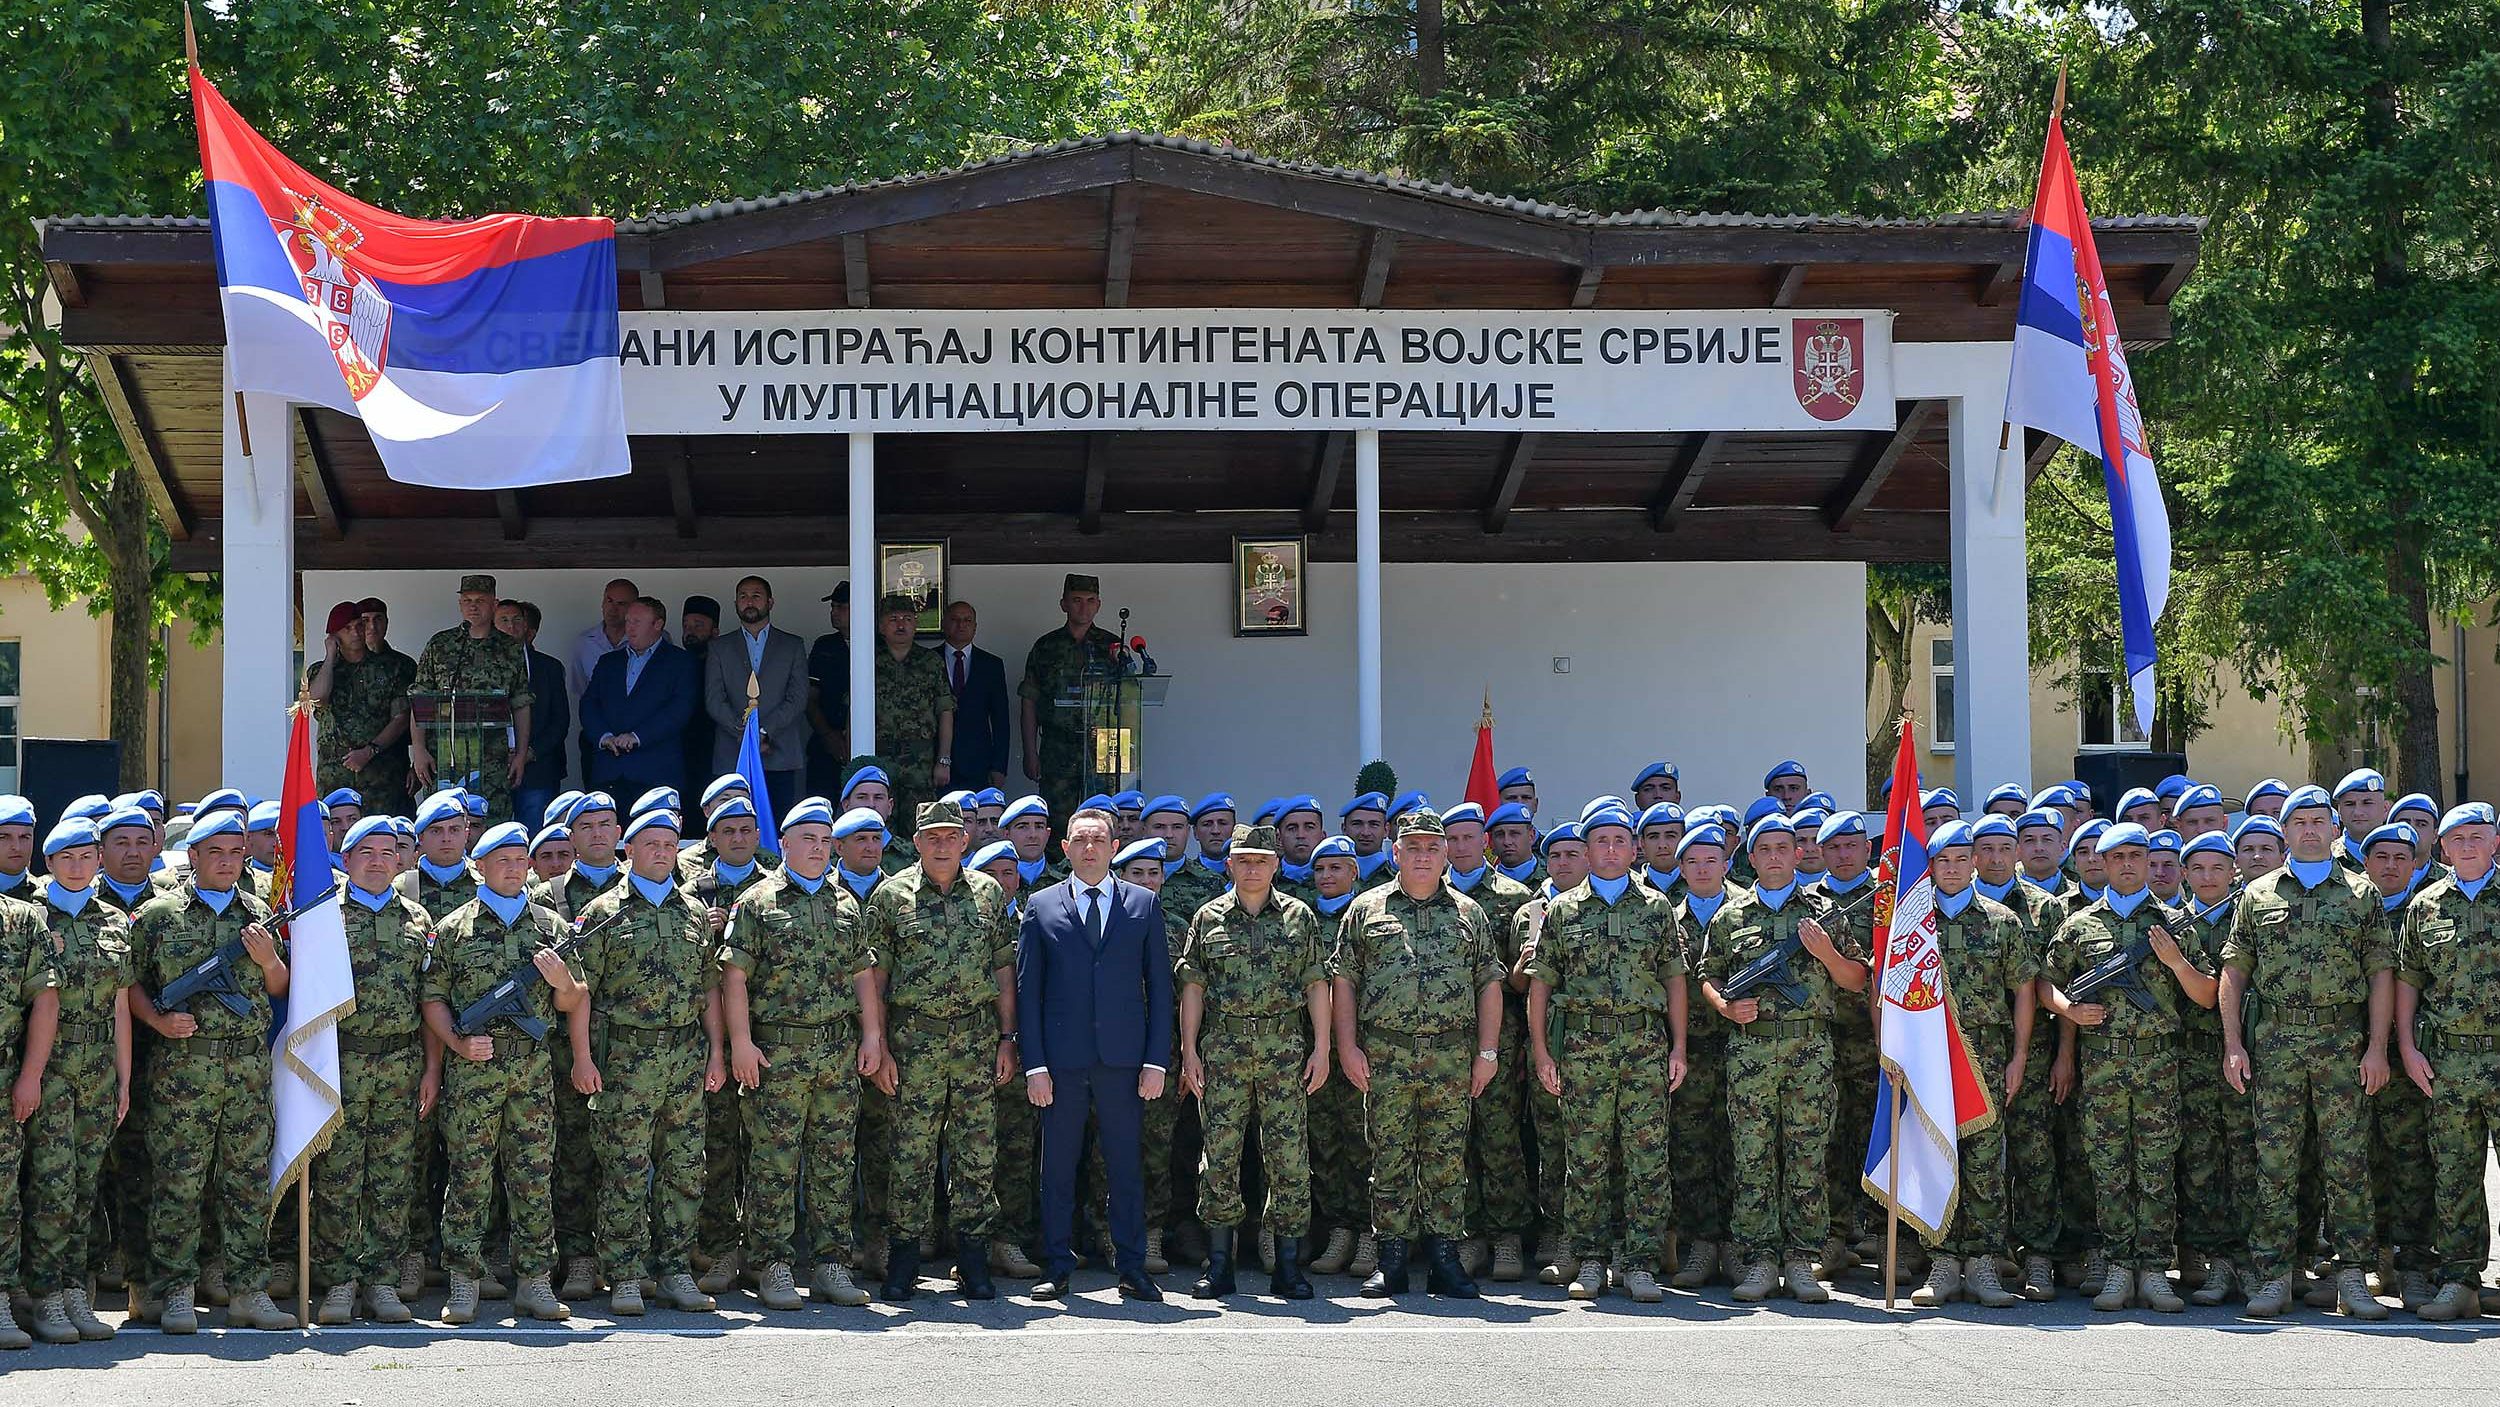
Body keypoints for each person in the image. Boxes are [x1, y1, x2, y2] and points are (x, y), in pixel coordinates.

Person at [2221, 784, 2393, 1319]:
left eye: (2320, 820)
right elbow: (2234, 972)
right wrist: (2233, 1045)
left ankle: (2352, 1276)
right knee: (2274, 1163)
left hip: (2344, 1042)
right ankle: (2273, 1276)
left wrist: (2379, 1049)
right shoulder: (2258, 894)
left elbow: (2382, 975)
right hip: (2276, 1044)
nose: (2311, 829)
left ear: (2333, 827)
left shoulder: (2363, 895)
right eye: (2300, 821)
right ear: (2286, 831)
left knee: (2347, 1164)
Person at [125, 810, 297, 1333]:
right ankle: (175, 1291)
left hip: (246, 1068)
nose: (226, 862)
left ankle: (247, 1289)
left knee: (246, 1182)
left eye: (235, 852)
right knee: (178, 1180)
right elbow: (129, 984)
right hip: (184, 1071)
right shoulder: (160, 916)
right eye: (214, 853)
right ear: (193, 856)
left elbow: (284, 990)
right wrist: (157, 1017)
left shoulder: (261, 915)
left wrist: (269, 960)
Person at [1331, 808, 1506, 1300]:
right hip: (1386, 1054)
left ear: (1447, 854)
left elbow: (1489, 983)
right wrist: (1347, 1046)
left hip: (1451, 1057)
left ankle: (1446, 1260)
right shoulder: (1366, 909)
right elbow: (1344, 981)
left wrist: (1487, 1053)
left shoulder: (1469, 913)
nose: (1423, 856)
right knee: (1388, 1157)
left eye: (1433, 847)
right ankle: (1391, 1259)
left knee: (1447, 1159)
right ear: (1396, 853)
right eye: (1413, 847)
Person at [719, 797, 887, 1309]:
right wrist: (741, 1043)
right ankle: (773, 1265)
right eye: (805, 839)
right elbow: (735, 976)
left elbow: (862, 974)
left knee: (834, 1161)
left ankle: (831, 1264)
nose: (816, 848)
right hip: (777, 1054)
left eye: (822, 840)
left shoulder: (846, 904)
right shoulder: (758, 902)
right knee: (774, 1162)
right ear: (784, 844)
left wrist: (873, 1035)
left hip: (836, 1053)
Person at [2041, 823, 2214, 1314]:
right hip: (2102, 1065)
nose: (2127, 865)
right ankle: (2119, 1266)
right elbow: (2044, 984)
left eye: (2137, 855)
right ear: (2100, 861)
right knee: (2109, 1169)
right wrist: (2069, 1012)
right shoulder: (2080, 926)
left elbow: (2205, 994)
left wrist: (2177, 962)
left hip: (2159, 1063)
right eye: (2116, 857)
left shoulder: (2175, 922)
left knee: (2157, 1168)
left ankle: (2155, 1270)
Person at [1695, 812, 1867, 1305]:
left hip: (1809, 1050)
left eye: (1782, 848)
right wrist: (1727, 1007)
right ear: (1750, 858)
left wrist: (1827, 953)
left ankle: (1801, 1261)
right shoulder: (1731, 915)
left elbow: (1857, 978)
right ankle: (1760, 1259)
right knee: (1752, 1158)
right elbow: (1706, 975)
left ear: (1798, 854)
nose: (1773, 857)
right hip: (1751, 1051)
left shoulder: (1823, 912)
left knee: (1807, 1158)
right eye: (1763, 849)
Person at [419, 819, 583, 1325]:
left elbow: (574, 1000)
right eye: (502, 862)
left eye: (519, 861)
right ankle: (464, 1281)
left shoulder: (551, 927)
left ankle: (534, 1280)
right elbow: (433, 999)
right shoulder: (454, 929)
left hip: (531, 1068)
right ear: (480, 867)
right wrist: (459, 1044)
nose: (513, 870)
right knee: (469, 1174)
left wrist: (561, 981)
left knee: (533, 1174)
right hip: (475, 1070)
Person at [1523, 805, 1689, 1304]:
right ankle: (1591, 1258)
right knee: (1586, 1157)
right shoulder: (1562, 910)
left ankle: (1638, 1262)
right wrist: (1541, 1053)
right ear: (1588, 849)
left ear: (1634, 847)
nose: (1611, 850)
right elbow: (1541, 987)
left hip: (1643, 1045)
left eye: (1620, 840)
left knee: (1646, 1157)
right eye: (1601, 841)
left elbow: (1674, 979)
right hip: (1582, 1048)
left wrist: (1678, 1046)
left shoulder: (1656, 907)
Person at [863, 799, 1018, 1301]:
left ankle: (972, 1256)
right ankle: (904, 1257)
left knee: (976, 1151)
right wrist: (880, 1046)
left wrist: (1006, 1038)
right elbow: (876, 979)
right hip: (914, 1043)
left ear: (966, 839)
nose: (943, 844)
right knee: (910, 1152)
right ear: (916, 842)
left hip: (975, 1040)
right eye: (933, 836)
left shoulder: (990, 895)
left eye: (952, 835)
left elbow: (1003, 972)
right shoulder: (892, 897)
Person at [1019, 807, 1173, 1301]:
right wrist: (1035, 1065)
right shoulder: (1040, 906)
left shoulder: (1143, 905)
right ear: (1063, 848)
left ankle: (1132, 1266)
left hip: (1124, 1062)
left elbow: (1160, 988)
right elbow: (1028, 993)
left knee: (1126, 1167)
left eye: (1099, 840)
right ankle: (1058, 1264)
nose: (1089, 848)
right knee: (1058, 1168)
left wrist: (1156, 1060)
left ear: (1113, 848)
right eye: (1080, 840)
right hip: (1061, 1063)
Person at [575, 808, 725, 1316]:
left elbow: (709, 987)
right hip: (624, 1060)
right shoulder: (604, 913)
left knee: (684, 1168)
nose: (662, 851)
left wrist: (717, 1053)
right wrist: (583, 1059)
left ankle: (675, 1269)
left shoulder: (692, 913)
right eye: (651, 843)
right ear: (629, 849)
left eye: (669, 843)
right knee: (626, 1168)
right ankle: (624, 1273)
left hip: (684, 1057)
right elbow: (583, 996)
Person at [1175, 823, 1326, 1300]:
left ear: (1277, 865)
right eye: (1244, 860)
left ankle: (1286, 1265)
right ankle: (1219, 1265)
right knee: (1219, 1157)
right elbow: (1193, 988)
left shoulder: (1300, 918)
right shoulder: (1208, 918)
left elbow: (1316, 986)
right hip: (1224, 1052)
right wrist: (1188, 1051)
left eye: (1261, 860)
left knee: (1288, 1160)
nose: (1253, 868)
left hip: (1284, 1053)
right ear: (1230, 864)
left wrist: (1322, 1048)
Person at [312, 817, 438, 1326]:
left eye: (389, 852)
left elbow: (430, 1000)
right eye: (367, 851)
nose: (379, 861)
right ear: (346, 859)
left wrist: (432, 1069)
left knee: (393, 1178)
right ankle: (339, 1283)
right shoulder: (322, 917)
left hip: (402, 1065)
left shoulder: (418, 920)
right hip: (341, 1061)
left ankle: (382, 1281)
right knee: (339, 1178)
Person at [1908, 821, 2034, 1310]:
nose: (1955, 869)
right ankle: (1941, 1261)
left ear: (1975, 863)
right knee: (1935, 1157)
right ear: (1932, 867)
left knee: (1984, 1163)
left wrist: (2020, 1056)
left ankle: (1981, 1262)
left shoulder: (2002, 922)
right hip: (1929, 1056)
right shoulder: (1912, 923)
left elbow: (2023, 989)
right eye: (1944, 861)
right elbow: (1891, 993)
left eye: (1963, 859)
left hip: (1984, 1054)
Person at [19, 818, 130, 1346]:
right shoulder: (30, 920)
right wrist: (32, 1076)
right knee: (50, 1186)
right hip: (53, 1069)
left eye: (87, 857)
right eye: (68, 858)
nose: (79, 866)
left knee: (85, 1189)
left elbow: (121, 1005)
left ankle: (72, 1291)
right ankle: (42, 1296)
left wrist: (125, 1080)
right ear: (49, 863)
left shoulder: (114, 920)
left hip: (99, 1070)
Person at [2395, 802, 2500, 1320]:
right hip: (2450, 1062)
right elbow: (2409, 979)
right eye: (2457, 839)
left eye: (2477, 836)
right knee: (2455, 1174)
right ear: (2442, 848)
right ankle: (2460, 1279)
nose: (2467, 846)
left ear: (2495, 842)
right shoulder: (2426, 905)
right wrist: (2408, 1049)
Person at [1442, 802, 1535, 1281]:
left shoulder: (1517, 897)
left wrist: (1515, 1047)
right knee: (1452, 1143)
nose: (1459, 847)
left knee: (1499, 1140)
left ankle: (1506, 1239)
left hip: (1498, 1038)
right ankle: (1466, 1236)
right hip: (1442, 1043)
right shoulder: (1430, 897)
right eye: (1450, 839)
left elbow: (1525, 978)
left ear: (1486, 841)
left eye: (1467, 837)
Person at [2358, 821, 2435, 1307]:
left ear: (2414, 865)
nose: (2390, 866)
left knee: (2413, 1162)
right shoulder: (2352, 906)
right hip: (2354, 1054)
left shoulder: (2426, 910)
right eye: (2381, 857)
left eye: (2400, 858)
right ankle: (2377, 1260)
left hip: (2415, 1059)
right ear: (2366, 863)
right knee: (2363, 1162)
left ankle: (2416, 1266)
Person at [2172, 831, 2250, 1305]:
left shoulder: (2251, 919)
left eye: (2217, 868)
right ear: (2184, 874)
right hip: (2189, 1060)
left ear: (2232, 872)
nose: (2207, 877)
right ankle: (2215, 1265)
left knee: (2245, 1163)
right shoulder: (2169, 926)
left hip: (2243, 1056)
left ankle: (2252, 1263)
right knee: (2200, 1166)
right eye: (2197, 869)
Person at [1666, 822, 1738, 1289]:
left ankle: (1735, 1246)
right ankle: (1701, 1246)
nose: (1702, 868)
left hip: (1740, 1049)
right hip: (1688, 1051)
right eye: (1691, 861)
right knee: (1690, 1151)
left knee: (1738, 1150)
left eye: (1710, 859)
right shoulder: (1666, 919)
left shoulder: (1747, 910)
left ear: (1727, 863)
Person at [408, 575, 536, 826]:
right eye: (466, 600)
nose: (473, 607)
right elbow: (420, 700)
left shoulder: (509, 648)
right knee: (443, 824)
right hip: (445, 758)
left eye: (480, 600)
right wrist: (419, 750)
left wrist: (521, 753)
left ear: (494, 604)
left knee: (491, 824)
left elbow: (521, 704)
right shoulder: (441, 644)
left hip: (492, 760)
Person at [704, 576, 811, 820]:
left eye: (756, 596)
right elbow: (713, 699)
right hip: (732, 755)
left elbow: (797, 698)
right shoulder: (719, 647)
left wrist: (763, 731)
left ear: (770, 602)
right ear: (735, 603)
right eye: (743, 596)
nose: (749, 602)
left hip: (780, 754)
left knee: (781, 830)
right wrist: (744, 734)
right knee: (732, 827)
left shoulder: (792, 645)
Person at [1017, 574, 1120, 825]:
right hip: (1057, 746)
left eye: (1090, 600)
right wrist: (1030, 753)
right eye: (1076, 600)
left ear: (1099, 604)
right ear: (1063, 604)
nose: (1083, 607)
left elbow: (1126, 701)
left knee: (1103, 821)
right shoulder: (1046, 646)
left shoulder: (1112, 646)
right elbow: (1029, 701)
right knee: (1056, 824)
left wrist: (1122, 758)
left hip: (1103, 746)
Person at [580, 597, 698, 796]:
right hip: (610, 770)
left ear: (658, 624)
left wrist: (637, 737)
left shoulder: (680, 662)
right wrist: (604, 737)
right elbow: (589, 704)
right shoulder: (609, 661)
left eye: (637, 622)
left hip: (656, 772)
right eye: (627, 621)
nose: (629, 628)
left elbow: (679, 710)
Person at [307, 600, 414, 815]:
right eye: (347, 629)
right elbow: (316, 700)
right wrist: (330, 657)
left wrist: (369, 751)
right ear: (334, 635)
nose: (356, 632)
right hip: (335, 776)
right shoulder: (321, 671)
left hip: (382, 777)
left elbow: (401, 718)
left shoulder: (391, 667)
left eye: (359, 625)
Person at [872, 593, 955, 827]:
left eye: (907, 618)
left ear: (916, 624)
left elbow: (945, 712)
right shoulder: (868, 660)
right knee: (879, 825)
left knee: (919, 825)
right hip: (880, 758)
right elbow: (853, 712)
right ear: (881, 626)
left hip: (921, 761)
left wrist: (944, 760)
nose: (901, 624)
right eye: (893, 619)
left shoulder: (931, 662)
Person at [498, 600, 571, 832]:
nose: (511, 627)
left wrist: (528, 753)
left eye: (517, 620)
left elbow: (560, 721)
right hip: (492, 768)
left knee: (537, 842)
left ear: (527, 627)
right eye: (504, 621)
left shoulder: (549, 668)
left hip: (537, 769)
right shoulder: (474, 666)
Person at [938, 600, 1012, 791]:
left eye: (967, 620)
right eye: (955, 619)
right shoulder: (929, 660)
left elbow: (1001, 720)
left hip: (979, 763)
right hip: (936, 761)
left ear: (975, 627)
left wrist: (999, 767)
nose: (961, 625)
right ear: (944, 623)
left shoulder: (991, 665)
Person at [805, 581, 852, 799]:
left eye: (842, 607)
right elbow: (811, 698)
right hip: (827, 743)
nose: (835, 613)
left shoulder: (879, 644)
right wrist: (828, 736)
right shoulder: (825, 646)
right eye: (833, 607)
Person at [679, 596, 724, 803]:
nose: (690, 631)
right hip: (680, 755)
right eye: (686, 625)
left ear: (715, 631)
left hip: (715, 752)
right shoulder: (673, 664)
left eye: (698, 625)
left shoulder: (725, 664)